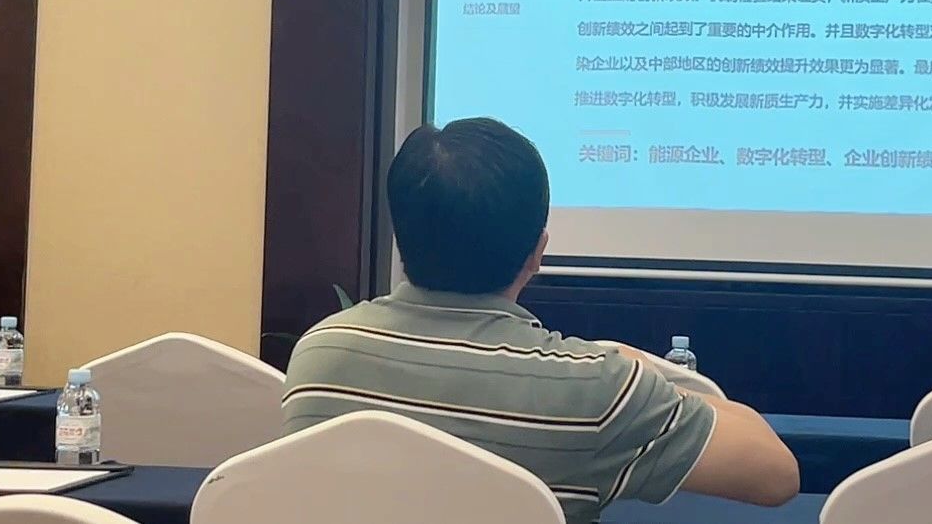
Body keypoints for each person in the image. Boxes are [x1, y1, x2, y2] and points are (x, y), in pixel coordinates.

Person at [282, 117, 798, 522]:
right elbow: (776, 475)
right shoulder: (595, 387)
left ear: (401, 235)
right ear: (538, 251)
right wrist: (636, 364)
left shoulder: (322, 353)